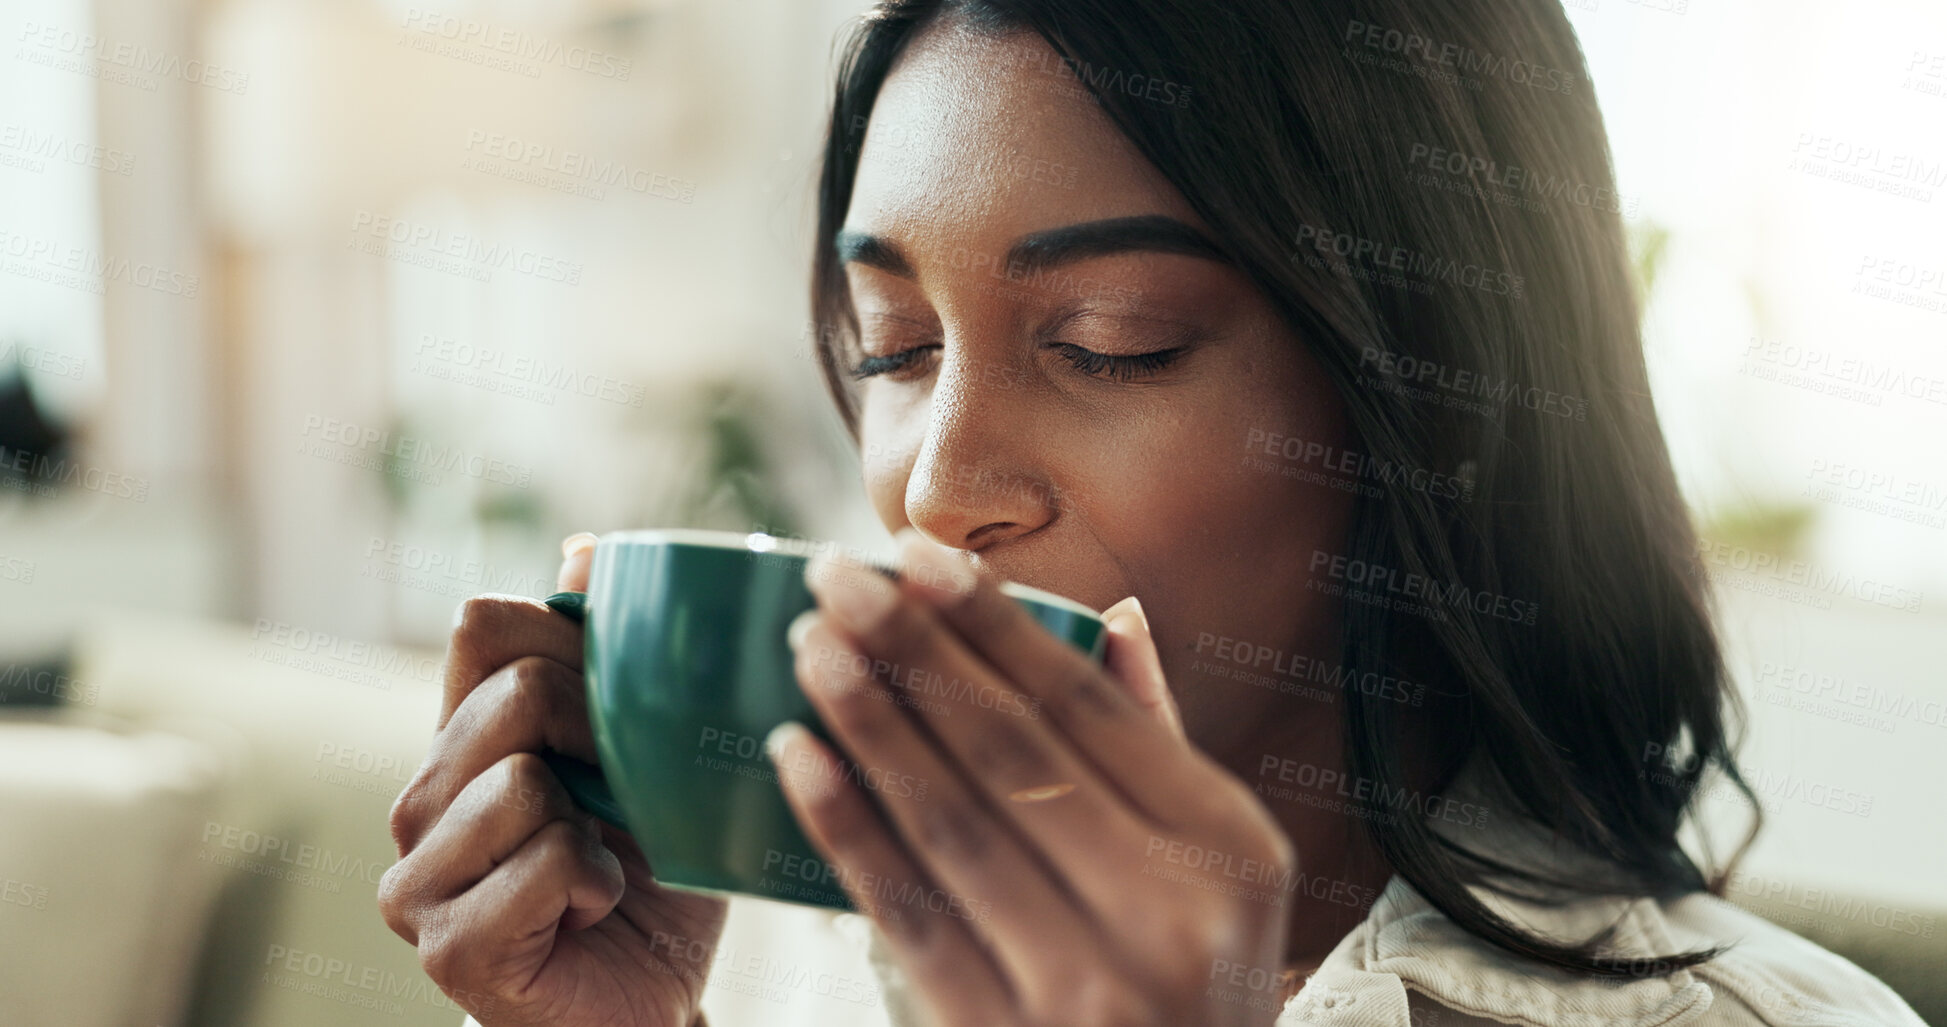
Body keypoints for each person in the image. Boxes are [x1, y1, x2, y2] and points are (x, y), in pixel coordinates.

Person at [378, 1, 1929, 1024]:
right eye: (897, 349)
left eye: (1113, 340)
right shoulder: (803, 957)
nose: (933, 486)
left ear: (1439, 401)